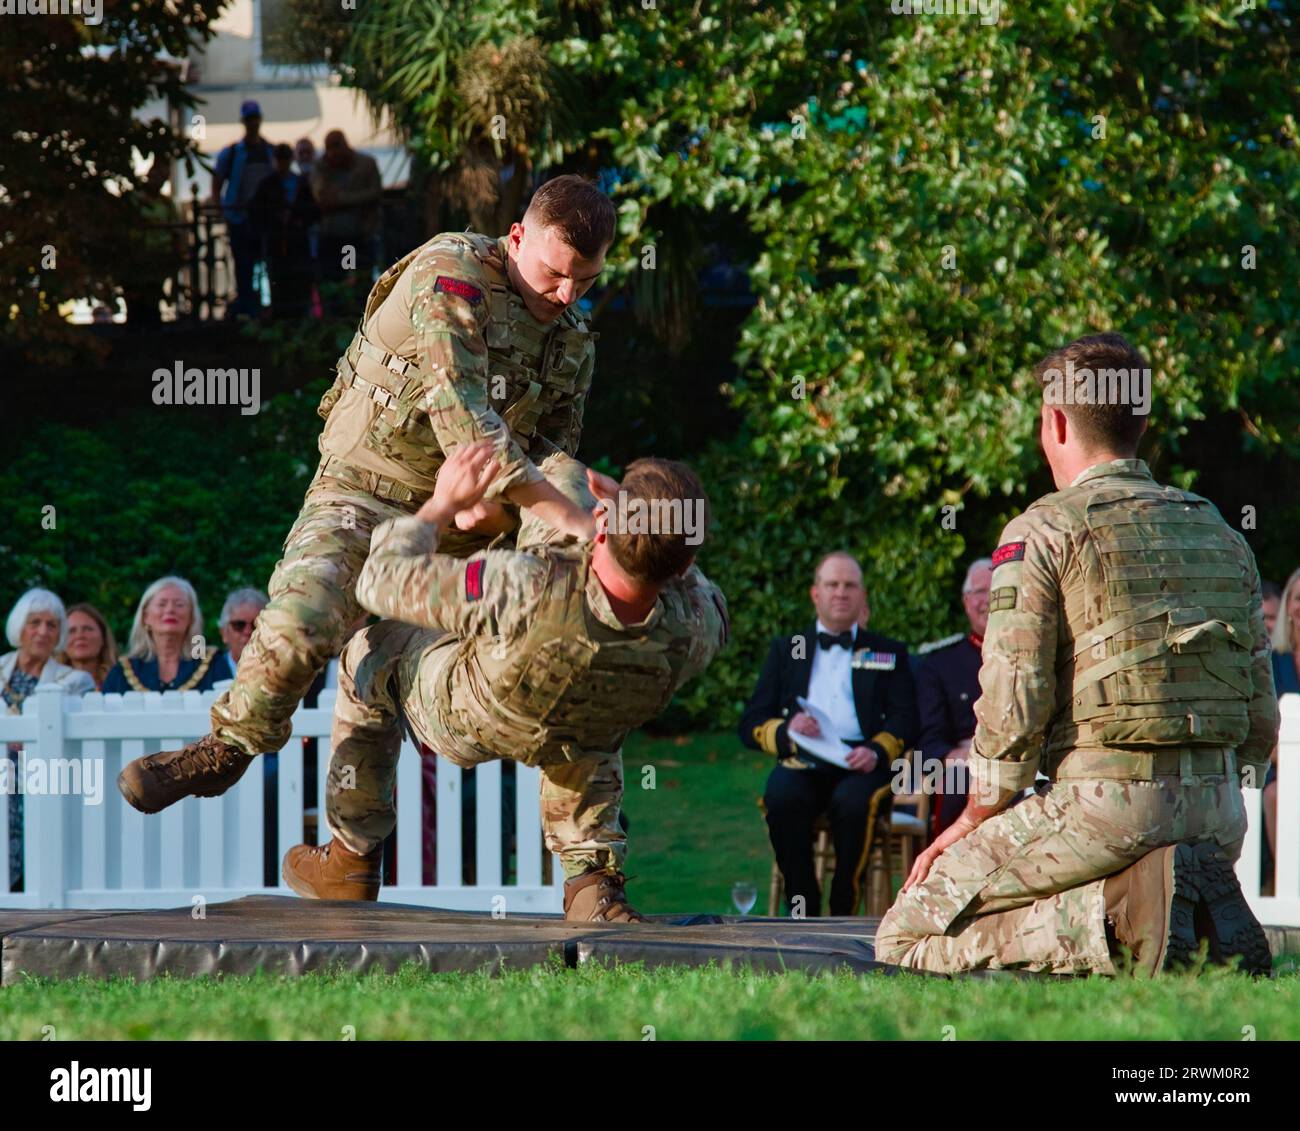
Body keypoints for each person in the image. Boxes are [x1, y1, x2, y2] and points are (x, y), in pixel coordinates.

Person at [118, 175, 615, 815]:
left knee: (554, 609)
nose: (567, 294)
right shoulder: (453, 273)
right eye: (555, 274)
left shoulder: (571, 337)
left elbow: (551, 450)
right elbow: (467, 425)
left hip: (465, 525)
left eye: (586, 281)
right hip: (366, 490)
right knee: (302, 621)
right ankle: (228, 748)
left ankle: (584, 835)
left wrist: (549, 524)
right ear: (516, 237)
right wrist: (573, 518)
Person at [875, 333, 1278, 976]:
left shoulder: (1041, 531)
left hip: (1101, 810)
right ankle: (1172, 907)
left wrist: (972, 821)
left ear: (1055, 423)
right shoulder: (1225, 536)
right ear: (1141, 421)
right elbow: (1260, 718)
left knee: (906, 932)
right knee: (1072, 867)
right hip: (1219, 814)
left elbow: (1013, 715)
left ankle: (1119, 921)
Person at [280, 442, 729, 921]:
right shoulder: (697, 625)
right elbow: (679, 573)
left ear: (603, 524)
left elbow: (381, 581)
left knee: (366, 654)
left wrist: (442, 505)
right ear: (685, 563)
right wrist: (632, 526)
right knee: (589, 712)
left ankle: (351, 858)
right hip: (577, 724)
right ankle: (591, 884)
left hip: (469, 711)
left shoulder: (525, 585)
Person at [739, 551, 918, 916]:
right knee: (782, 796)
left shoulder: (888, 652)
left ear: (863, 596)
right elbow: (751, 721)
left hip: (861, 762)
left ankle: (843, 909)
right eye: (832, 584)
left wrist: (876, 751)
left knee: (853, 804)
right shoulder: (787, 649)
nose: (840, 592)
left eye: (850, 585)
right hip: (804, 759)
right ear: (815, 594)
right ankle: (802, 906)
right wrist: (787, 730)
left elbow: (907, 718)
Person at [2, 589, 95, 891]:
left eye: (52, 625)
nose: (43, 631)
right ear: (19, 627)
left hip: (45, 786)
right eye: (35, 623)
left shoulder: (75, 681)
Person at [915, 557, 992, 838]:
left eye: (999, 590)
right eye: (980, 591)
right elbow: (929, 741)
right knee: (958, 779)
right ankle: (947, 865)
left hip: (1028, 764)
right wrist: (957, 756)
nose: (989, 599)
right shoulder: (940, 664)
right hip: (967, 769)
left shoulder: (1037, 655)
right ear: (966, 601)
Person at [212, 100, 276, 319]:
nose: (253, 123)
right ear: (244, 122)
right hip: (239, 218)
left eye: (255, 118)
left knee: (267, 262)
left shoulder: (269, 151)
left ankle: (265, 305)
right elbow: (217, 181)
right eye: (249, 119)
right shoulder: (231, 153)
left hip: (265, 219)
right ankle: (247, 303)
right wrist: (221, 209)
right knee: (242, 263)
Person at [103, 577, 221, 693]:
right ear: (145, 616)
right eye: (162, 604)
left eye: (179, 604)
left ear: (192, 617)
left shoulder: (213, 665)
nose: (170, 610)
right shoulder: (122, 672)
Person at [311, 130, 383, 312]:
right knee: (332, 282)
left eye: (337, 147)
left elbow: (374, 192)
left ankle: (357, 315)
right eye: (330, 148)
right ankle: (335, 316)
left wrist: (342, 199)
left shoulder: (365, 164)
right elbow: (321, 197)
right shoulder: (322, 167)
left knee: (356, 280)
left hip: (355, 237)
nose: (334, 153)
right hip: (332, 237)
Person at [250, 144, 319, 320]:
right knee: (279, 282)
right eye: (280, 159)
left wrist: (299, 220)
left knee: (299, 282)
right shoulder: (268, 184)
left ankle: (298, 316)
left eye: (285, 159)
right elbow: (256, 211)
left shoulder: (300, 183)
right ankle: (282, 317)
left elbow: (313, 211)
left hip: (297, 242)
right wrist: (274, 220)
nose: (283, 163)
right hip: (277, 242)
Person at [1263, 566, 1300, 868]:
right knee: (1276, 793)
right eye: (1298, 598)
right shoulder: (1271, 662)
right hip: (1278, 764)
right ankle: (1285, 878)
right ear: (1288, 605)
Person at [56, 603, 119, 690]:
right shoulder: (49, 683)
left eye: (88, 629)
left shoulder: (122, 681)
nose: (79, 635)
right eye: (71, 631)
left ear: (103, 638)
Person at [214, 587, 268, 681]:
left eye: (256, 625)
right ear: (224, 633)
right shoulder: (205, 677)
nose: (248, 631)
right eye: (239, 625)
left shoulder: (285, 673)